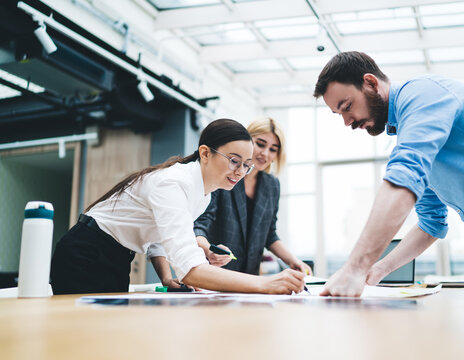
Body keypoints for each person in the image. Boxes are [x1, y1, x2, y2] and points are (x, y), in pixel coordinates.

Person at [313, 51, 464, 358]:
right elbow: (431, 224)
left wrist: (355, 267)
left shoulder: (422, 95)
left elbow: (405, 176)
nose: (346, 122)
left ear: (370, 83)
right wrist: (376, 270)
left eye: (347, 106)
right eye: (338, 114)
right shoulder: (415, 132)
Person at [50, 118, 305, 295]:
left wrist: (165, 276)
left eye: (245, 165)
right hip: (85, 253)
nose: (240, 172)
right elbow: (192, 271)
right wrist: (266, 284)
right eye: (234, 161)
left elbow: (159, 236)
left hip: (116, 257)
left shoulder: (203, 195)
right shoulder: (173, 183)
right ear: (205, 153)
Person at [148, 118, 311, 288]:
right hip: (215, 273)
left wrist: (292, 260)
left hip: (250, 274)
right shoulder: (223, 177)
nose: (265, 153)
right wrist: (209, 249)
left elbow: (270, 234)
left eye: (273, 149)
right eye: (260, 144)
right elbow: (199, 224)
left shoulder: (271, 185)